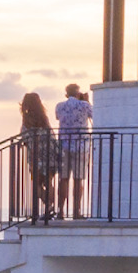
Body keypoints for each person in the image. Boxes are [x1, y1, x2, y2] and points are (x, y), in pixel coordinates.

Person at [19, 92, 62, 220]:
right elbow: (51, 133)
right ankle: (49, 206)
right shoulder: (44, 117)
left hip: (36, 154)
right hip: (49, 152)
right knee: (48, 181)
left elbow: (24, 135)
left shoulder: (27, 119)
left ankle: (46, 204)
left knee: (36, 183)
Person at [55, 83, 94, 219]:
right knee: (78, 179)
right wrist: (86, 101)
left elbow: (58, 117)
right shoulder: (84, 105)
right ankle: (76, 212)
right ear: (78, 93)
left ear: (66, 94)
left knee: (63, 179)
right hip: (81, 146)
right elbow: (94, 116)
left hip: (64, 145)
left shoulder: (59, 106)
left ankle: (60, 211)